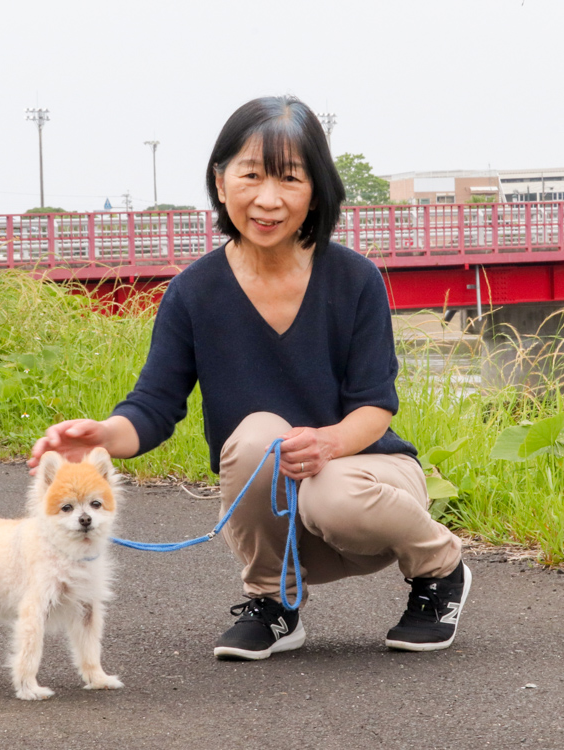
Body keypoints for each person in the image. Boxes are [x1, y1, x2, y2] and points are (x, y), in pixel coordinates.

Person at [28, 95, 471, 661]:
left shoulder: (354, 278)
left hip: (369, 488)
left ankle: (440, 567)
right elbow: (155, 404)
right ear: (220, 181)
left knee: (329, 489)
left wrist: (328, 444)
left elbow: (374, 405)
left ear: (316, 190)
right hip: (277, 516)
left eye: (290, 178)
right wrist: (102, 436)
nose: (268, 199)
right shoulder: (194, 292)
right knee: (260, 430)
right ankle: (274, 602)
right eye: (251, 174)